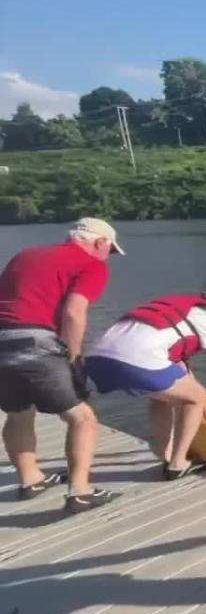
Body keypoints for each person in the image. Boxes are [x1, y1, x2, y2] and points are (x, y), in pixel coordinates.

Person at [0, 218, 124, 513]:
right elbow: (74, 312)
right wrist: (74, 357)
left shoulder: (26, 255)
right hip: (35, 343)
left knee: (18, 414)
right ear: (100, 243)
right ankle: (80, 491)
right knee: (82, 418)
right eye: (111, 250)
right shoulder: (92, 264)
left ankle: (30, 479)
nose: (110, 257)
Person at [85, 292, 206, 480]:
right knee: (195, 397)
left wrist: (202, 399)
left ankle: (166, 455)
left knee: (162, 397)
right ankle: (178, 463)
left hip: (95, 358)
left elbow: (179, 370)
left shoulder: (178, 310)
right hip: (135, 358)